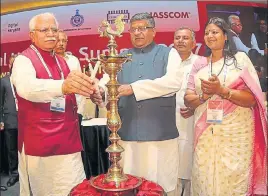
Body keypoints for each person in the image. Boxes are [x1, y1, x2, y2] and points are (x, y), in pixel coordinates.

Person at [93, 12, 183, 195]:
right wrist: (100, 93)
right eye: (133, 29)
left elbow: (173, 83)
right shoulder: (121, 56)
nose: (137, 33)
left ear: (154, 31)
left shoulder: (168, 53)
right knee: (130, 184)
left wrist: (133, 88)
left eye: (142, 28)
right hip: (127, 132)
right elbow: (106, 81)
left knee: (161, 184)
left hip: (159, 133)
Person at [11, 12, 96, 196]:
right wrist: (63, 86)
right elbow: (27, 88)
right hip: (40, 143)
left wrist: (93, 92)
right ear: (32, 35)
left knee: (75, 188)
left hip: (69, 140)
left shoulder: (63, 62)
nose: (51, 34)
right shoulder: (23, 60)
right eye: (44, 30)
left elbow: (74, 92)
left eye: (54, 30)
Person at [184, 17, 267, 195]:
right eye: (206, 33)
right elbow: (188, 99)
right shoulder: (199, 63)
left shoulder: (240, 60)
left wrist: (222, 90)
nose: (210, 36)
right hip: (205, 132)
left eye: (215, 32)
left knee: (234, 178)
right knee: (203, 173)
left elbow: (253, 99)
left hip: (237, 133)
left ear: (226, 36)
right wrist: (204, 96)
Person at [173, 27, 199, 196]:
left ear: (193, 42)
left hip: (191, 119)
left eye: (185, 38)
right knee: (172, 162)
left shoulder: (201, 62)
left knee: (188, 160)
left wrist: (194, 107)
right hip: (167, 120)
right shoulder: (167, 62)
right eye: (177, 37)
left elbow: (206, 93)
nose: (181, 41)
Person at [0, 54, 19, 188]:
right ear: (9, 65)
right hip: (10, 119)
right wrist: (1, 119)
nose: (14, 65)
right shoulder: (4, 81)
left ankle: (26, 174)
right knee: (11, 149)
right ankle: (14, 174)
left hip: (26, 120)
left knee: (25, 150)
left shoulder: (24, 80)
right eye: (12, 63)